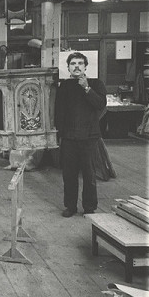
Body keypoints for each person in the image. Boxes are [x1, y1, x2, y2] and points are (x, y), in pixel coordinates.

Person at [55, 52, 107, 217]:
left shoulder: (96, 83)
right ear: (68, 67)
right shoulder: (64, 86)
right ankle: (70, 207)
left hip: (89, 137)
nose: (76, 66)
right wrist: (59, 135)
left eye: (79, 63)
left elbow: (100, 104)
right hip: (69, 137)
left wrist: (86, 88)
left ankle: (89, 207)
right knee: (69, 175)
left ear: (85, 67)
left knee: (89, 174)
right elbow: (58, 112)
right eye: (73, 63)